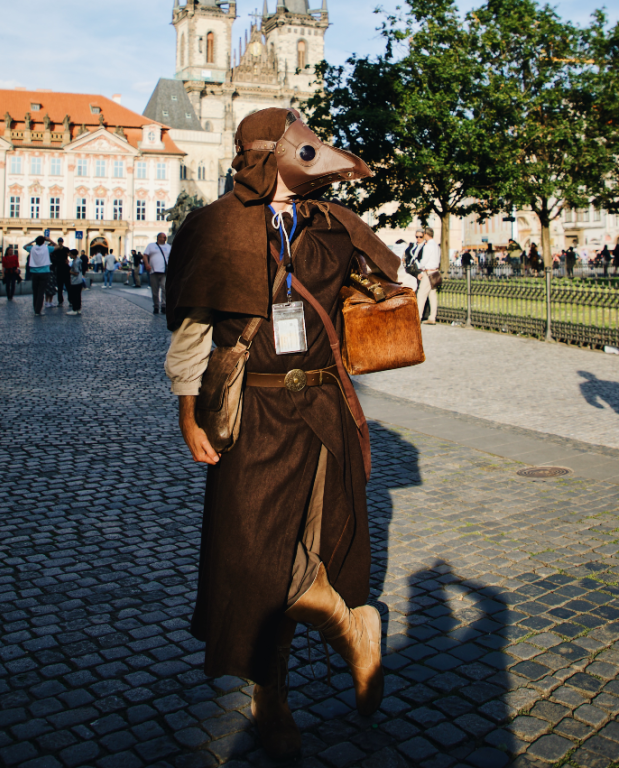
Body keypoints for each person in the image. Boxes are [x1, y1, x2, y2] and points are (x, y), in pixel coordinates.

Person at [164, 108, 405, 760]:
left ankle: (277, 691)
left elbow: (386, 292)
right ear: (266, 156)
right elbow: (192, 333)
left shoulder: (335, 225)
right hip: (255, 414)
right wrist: (189, 413)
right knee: (252, 559)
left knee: (317, 544)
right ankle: (336, 631)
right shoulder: (217, 227)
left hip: (325, 409)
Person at [411, 226, 441, 325]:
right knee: (432, 294)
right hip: (435, 272)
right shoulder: (436, 245)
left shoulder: (428, 246)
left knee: (421, 294)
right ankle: (432, 317)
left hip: (428, 273)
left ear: (426, 235)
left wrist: (419, 266)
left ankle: (417, 317)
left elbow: (424, 260)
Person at [144, 233, 171, 314]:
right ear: (158, 238)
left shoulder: (168, 247)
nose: (165, 239)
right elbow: (145, 255)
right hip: (153, 271)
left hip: (164, 272)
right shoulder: (151, 246)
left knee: (165, 289)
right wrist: (147, 264)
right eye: (164, 237)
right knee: (155, 291)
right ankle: (156, 306)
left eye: (165, 237)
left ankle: (164, 305)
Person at [27, 236, 51, 315]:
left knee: (35, 292)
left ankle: (35, 309)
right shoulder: (47, 248)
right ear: (43, 242)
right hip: (44, 272)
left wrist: (33, 241)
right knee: (41, 292)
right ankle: (38, 310)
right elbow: (58, 246)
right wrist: (49, 240)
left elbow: (24, 246)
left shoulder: (32, 248)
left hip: (34, 272)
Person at [51, 238, 71, 306]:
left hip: (65, 268)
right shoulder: (56, 250)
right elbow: (53, 259)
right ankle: (60, 301)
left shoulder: (66, 249)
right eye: (59, 242)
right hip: (59, 268)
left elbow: (69, 255)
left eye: (61, 242)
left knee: (68, 286)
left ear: (62, 242)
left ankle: (70, 301)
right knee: (60, 287)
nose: (60, 243)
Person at [67, 249, 83, 315]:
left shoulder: (75, 262)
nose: (69, 255)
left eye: (70, 254)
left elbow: (76, 272)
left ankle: (74, 309)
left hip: (75, 281)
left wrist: (70, 272)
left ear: (73, 255)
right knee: (78, 296)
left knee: (74, 296)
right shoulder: (79, 260)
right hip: (79, 280)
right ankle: (78, 309)